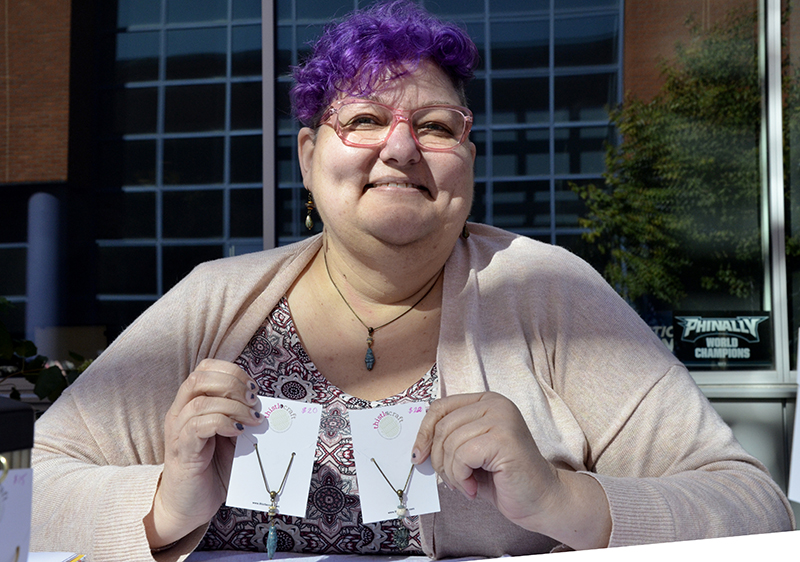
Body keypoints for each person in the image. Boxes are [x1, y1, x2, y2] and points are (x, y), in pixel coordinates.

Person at [31, 1, 793, 560]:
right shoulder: (214, 300)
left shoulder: (548, 294)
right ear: (307, 156)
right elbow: (39, 491)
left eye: (435, 126)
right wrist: (165, 505)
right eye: (363, 119)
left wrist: (565, 502)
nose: (400, 149)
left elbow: (756, 507)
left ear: (470, 158)